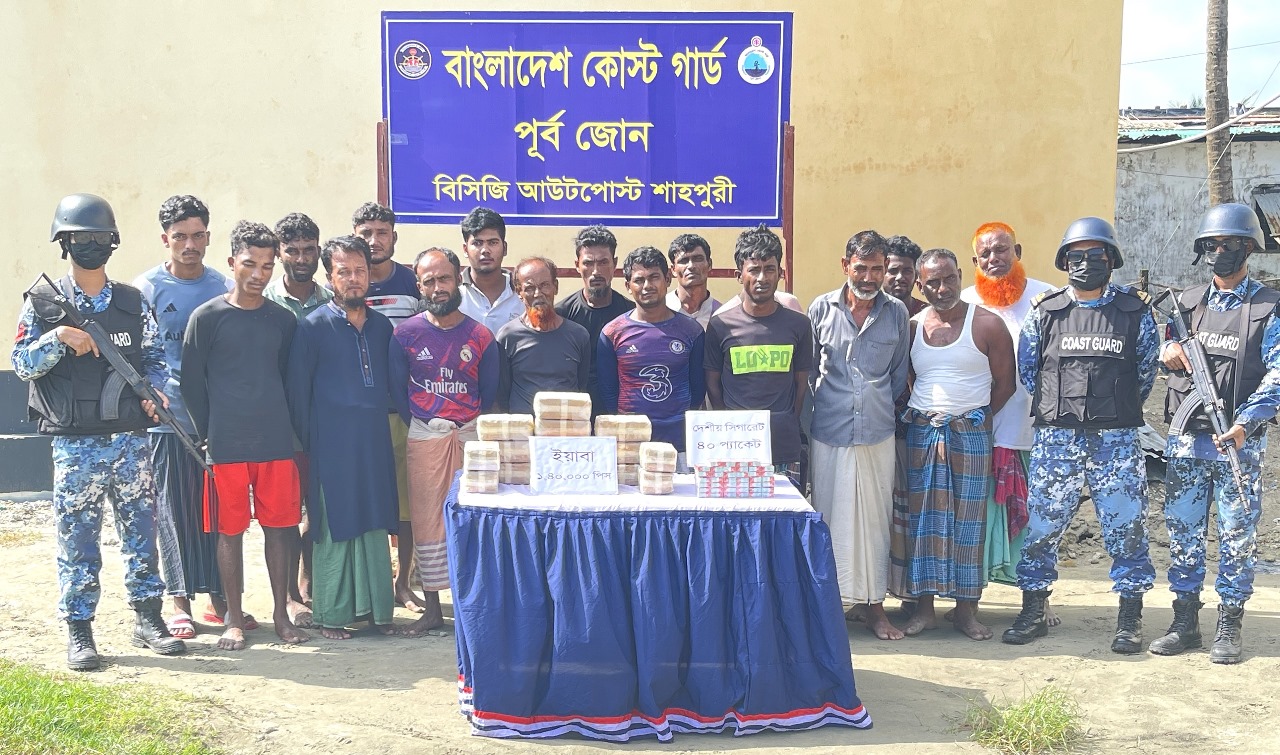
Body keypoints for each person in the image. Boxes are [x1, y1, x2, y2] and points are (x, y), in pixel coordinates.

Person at [15, 193, 186, 670]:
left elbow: (154, 359)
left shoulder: (132, 301)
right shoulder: (44, 303)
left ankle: (148, 618)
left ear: (113, 242)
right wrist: (57, 338)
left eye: (99, 237)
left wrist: (155, 391)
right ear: (64, 244)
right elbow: (22, 363)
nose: (90, 245)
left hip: (131, 439)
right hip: (76, 445)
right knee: (78, 540)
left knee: (141, 533)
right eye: (80, 238)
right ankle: (80, 629)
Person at [1003, 217, 1158, 654]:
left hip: (1116, 441)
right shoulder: (1046, 312)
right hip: (1058, 441)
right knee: (1042, 528)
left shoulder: (1135, 312)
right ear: (1064, 260)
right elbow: (1030, 372)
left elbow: (1145, 375)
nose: (1086, 262)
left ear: (1111, 259)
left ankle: (1129, 618)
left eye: (1096, 255)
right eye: (1077, 255)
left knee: (1127, 528)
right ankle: (1033, 610)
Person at [1150, 203, 1280, 664]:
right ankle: (1185, 621)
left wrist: (1245, 423)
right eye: (1211, 244)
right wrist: (1167, 348)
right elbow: (1159, 350)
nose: (1219, 252)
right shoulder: (1185, 304)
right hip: (1187, 439)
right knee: (1183, 531)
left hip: (1238, 443)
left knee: (1237, 533)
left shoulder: (1268, 306)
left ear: (1249, 247)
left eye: (1229, 244)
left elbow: (1277, 373)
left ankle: (1229, 623)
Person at [182, 220, 308, 650]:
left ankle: (281, 616)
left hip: (276, 442)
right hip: (226, 445)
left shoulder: (282, 320)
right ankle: (233, 619)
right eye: (250, 264)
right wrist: (207, 434)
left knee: (280, 528)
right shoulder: (206, 318)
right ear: (231, 262)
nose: (258, 274)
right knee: (229, 531)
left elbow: (290, 381)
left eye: (267, 266)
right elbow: (191, 385)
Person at [287, 236, 407, 639]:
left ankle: (378, 613)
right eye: (344, 272)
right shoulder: (312, 327)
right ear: (329, 277)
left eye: (360, 271)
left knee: (373, 520)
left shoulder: (382, 327)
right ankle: (331, 615)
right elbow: (298, 394)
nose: (353, 279)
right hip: (331, 445)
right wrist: (314, 443)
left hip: (372, 442)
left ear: (369, 274)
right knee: (336, 523)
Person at [134, 194, 236, 640]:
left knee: (217, 512)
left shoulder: (223, 287)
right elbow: (137, 354)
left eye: (197, 236)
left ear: (208, 237)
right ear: (165, 239)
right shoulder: (145, 289)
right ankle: (179, 604)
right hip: (166, 420)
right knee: (173, 512)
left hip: (216, 420)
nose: (189, 245)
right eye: (180, 237)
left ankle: (220, 601)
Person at [900, 248, 1014, 641]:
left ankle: (966, 610)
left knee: (969, 522)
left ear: (961, 275)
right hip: (923, 434)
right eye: (933, 282)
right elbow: (910, 378)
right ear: (921, 286)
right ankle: (925, 609)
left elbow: (1006, 384)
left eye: (949, 278)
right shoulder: (913, 328)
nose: (943, 288)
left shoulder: (988, 325)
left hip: (971, 434)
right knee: (923, 522)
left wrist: (971, 420)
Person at [390, 247, 499, 635]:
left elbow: (489, 393)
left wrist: (462, 427)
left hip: (469, 436)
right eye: (429, 281)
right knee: (427, 521)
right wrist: (426, 427)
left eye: (445, 279)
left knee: (472, 518)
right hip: (425, 437)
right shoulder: (405, 334)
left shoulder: (480, 336)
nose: (438, 287)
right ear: (419, 286)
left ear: (458, 280)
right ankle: (434, 608)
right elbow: (398, 392)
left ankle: (472, 607)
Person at [807, 230, 910, 640]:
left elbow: (897, 375)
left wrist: (873, 404)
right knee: (829, 519)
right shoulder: (821, 308)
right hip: (829, 430)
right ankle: (829, 609)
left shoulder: (896, 313)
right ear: (845, 265)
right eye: (861, 268)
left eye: (877, 269)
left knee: (874, 523)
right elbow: (809, 371)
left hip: (877, 431)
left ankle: (874, 609)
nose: (869, 277)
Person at [959, 222, 1055, 617]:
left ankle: (1037, 600)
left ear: (1017, 251)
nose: (994, 259)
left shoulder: (1047, 298)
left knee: (1037, 515)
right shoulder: (965, 302)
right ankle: (971, 601)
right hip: (981, 429)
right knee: (980, 516)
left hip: (1034, 429)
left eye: (1001, 250)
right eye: (985, 254)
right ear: (975, 261)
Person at [351, 202, 424, 616]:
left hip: (404, 410)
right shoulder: (348, 283)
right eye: (366, 233)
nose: (374, 240)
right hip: (360, 414)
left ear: (394, 237)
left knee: (407, 503)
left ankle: (403, 582)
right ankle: (375, 582)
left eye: (382, 232)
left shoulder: (412, 283)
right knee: (372, 500)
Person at [705, 224, 813, 476]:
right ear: (739, 275)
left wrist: (785, 421)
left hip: (783, 445)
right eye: (754, 270)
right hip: (735, 445)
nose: (762, 278)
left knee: (787, 504)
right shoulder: (720, 325)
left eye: (769, 269)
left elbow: (801, 385)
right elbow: (712, 385)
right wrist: (730, 425)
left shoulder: (799, 325)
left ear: (780, 273)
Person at [266, 211, 329, 614]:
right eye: (292, 251)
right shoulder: (265, 301)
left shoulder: (331, 300)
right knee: (285, 512)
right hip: (279, 423)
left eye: (309, 249)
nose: (302, 258)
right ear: (279, 252)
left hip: (323, 422)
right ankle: (288, 593)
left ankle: (309, 582)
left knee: (318, 509)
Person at [598, 246, 706, 449]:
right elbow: (609, 392)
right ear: (628, 286)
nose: (647, 286)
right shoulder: (612, 333)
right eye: (639, 280)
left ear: (667, 279)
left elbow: (698, 389)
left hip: (680, 439)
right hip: (631, 439)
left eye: (654, 277)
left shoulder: (692, 331)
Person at [495, 257, 590, 413]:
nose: (538, 294)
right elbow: (501, 394)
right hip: (523, 426)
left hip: (567, 425)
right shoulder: (507, 337)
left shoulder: (579, 336)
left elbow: (582, 387)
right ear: (519, 292)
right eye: (529, 288)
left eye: (545, 285)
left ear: (555, 287)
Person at [555, 225, 633, 413]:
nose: (596, 271)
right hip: (574, 412)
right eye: (588, 263)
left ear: (614, 264)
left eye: (603, 262)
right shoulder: (561, 314)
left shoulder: (631, 315)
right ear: (577, 265)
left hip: (620, 411)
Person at [457, 206, 523, 333]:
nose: (485, 250)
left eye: (493, 242)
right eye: (477, 243)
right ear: (465, 250)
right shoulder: (454, 293)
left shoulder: (523, 293)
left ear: (505, 248)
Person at [265, 213, 333, 318]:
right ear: (278, 254)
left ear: (318, 252)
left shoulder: (333, 303)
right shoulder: (263, 300)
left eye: (308, 250)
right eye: (292, 251)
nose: (301, 260)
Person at [665, 233, 720, 328]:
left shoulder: (722, 314)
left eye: (698, 259)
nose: (691, 266)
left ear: (709, 264)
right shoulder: (660, 310)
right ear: (673, 269)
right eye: (683, 261)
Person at [884, 235, 928, 316]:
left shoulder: (928, 315)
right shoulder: (867, 313)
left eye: (907, 271)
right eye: (893, 271)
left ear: (916, 276)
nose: (900, 277)